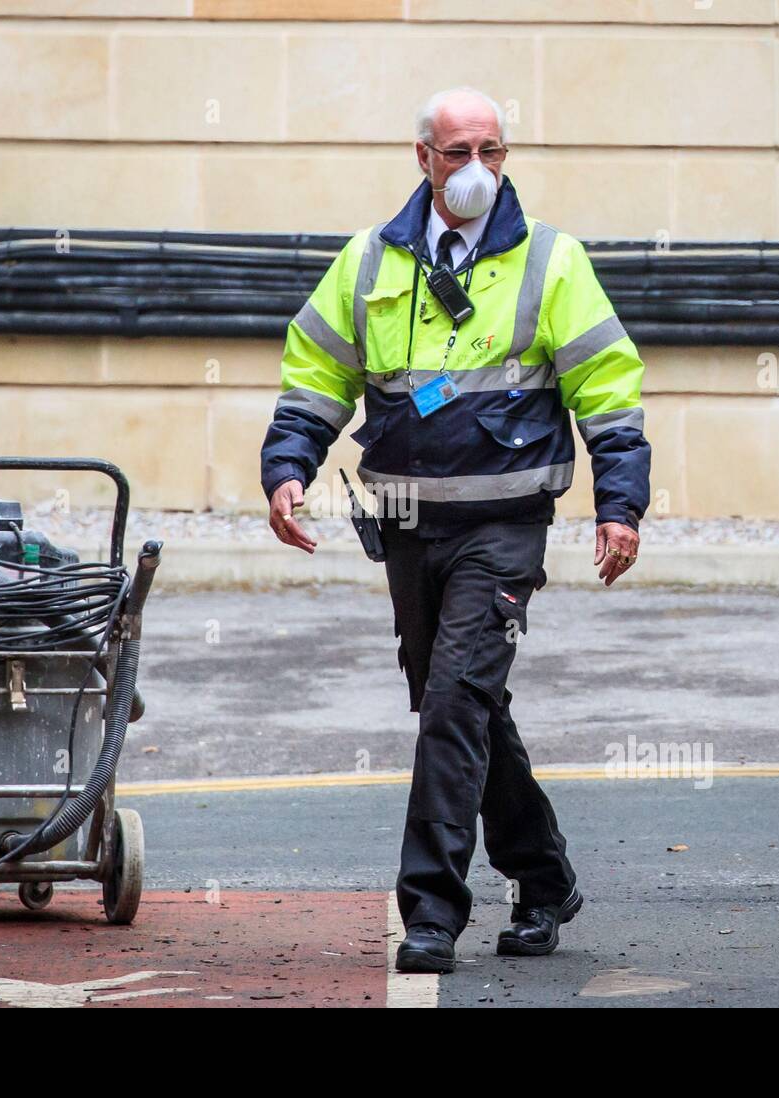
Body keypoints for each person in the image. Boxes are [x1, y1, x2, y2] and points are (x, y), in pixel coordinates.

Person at [259, 87, 651, 973]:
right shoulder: (369, 262)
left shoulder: (552, 261)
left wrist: (620, 505)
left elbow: (610, 392)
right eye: (459, 150)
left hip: (506, 526)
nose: (478, 167)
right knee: (466, 704)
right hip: (405, 526)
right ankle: (546, 880)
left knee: (451, 705)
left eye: (494, 150)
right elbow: (317, 370)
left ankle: (431, 912)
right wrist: (288, 468)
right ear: (423, 158)